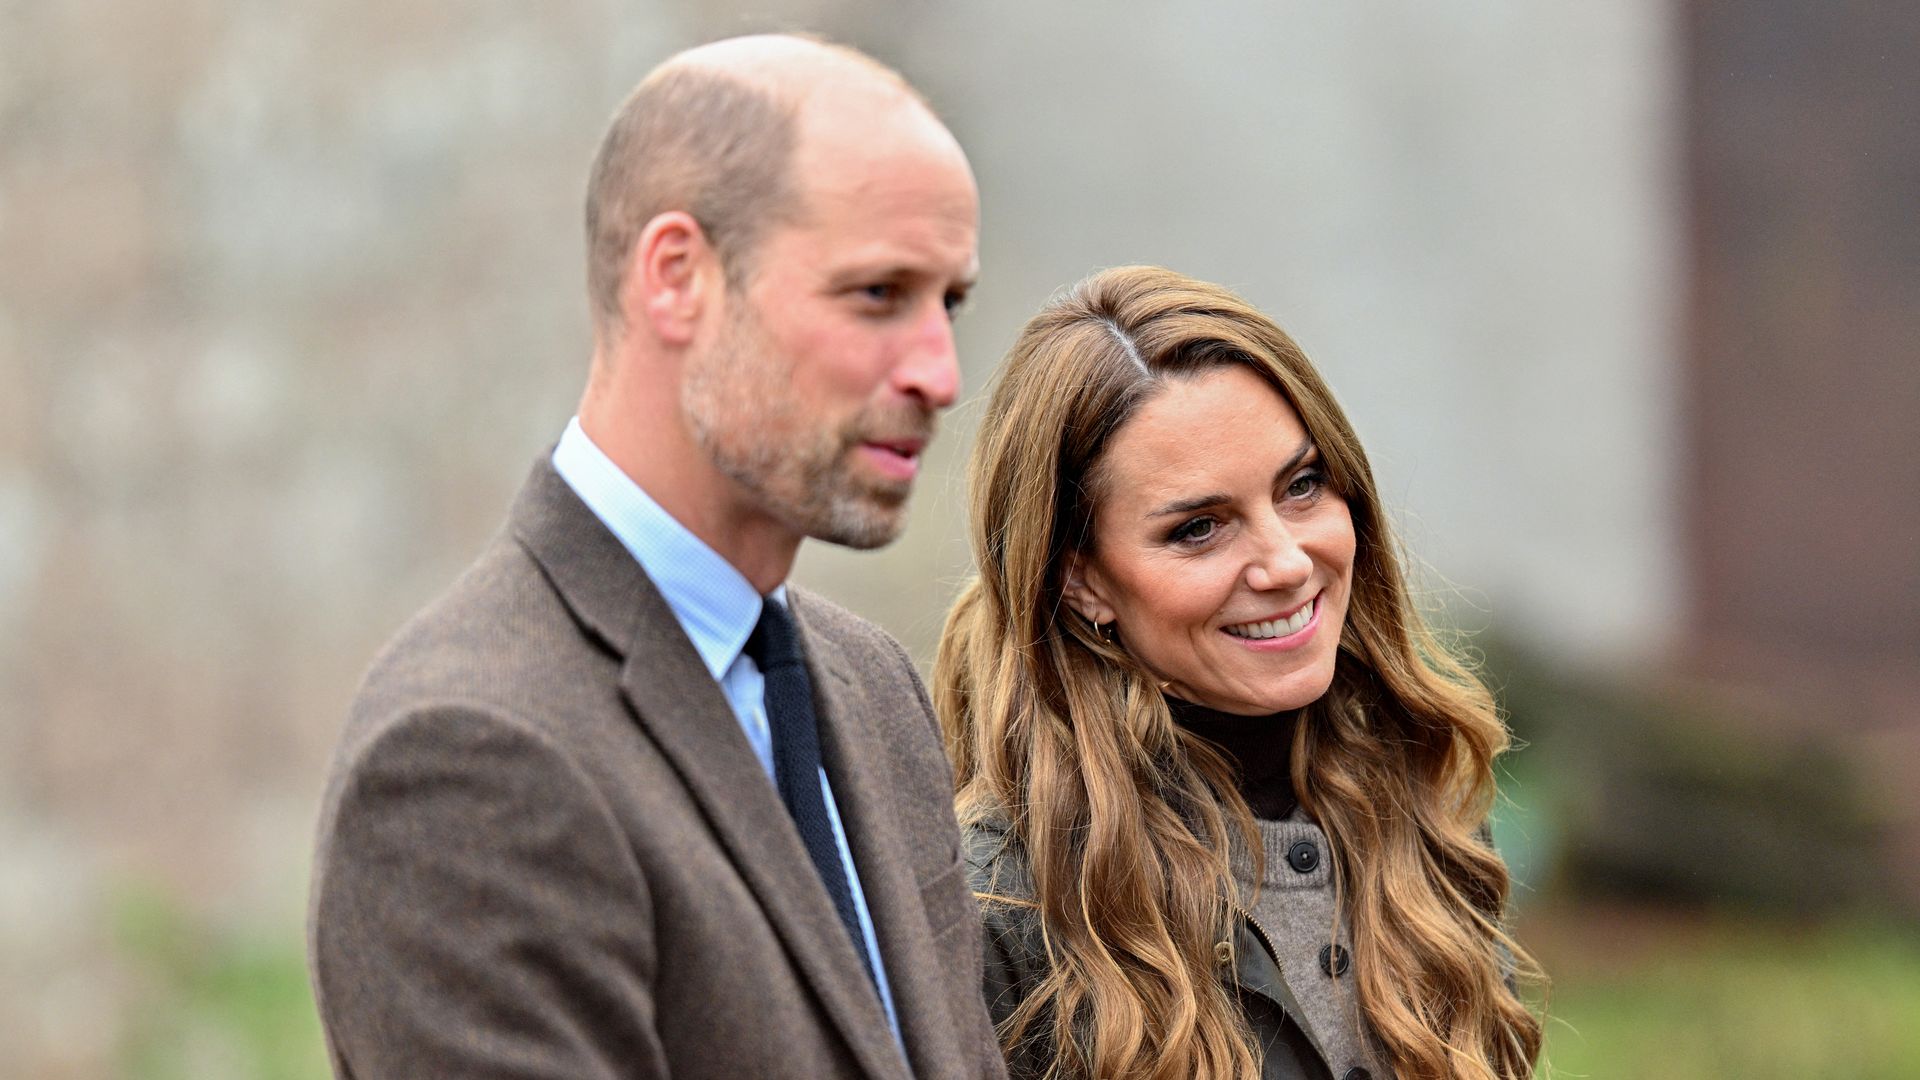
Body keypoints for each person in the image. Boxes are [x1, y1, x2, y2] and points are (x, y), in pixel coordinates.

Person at [309, 34, 1006, 1080]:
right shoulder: (468, 754)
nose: (940, 373)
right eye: (876, 296)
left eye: (947, 302)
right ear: (677, 277)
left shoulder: (868, 689)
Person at [935, 266, 1543, 1080]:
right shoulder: (997, 910)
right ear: (1080, 580)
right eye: (1199, 529)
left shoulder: (1422, 815)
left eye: (1302, 486)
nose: (1287, 563)